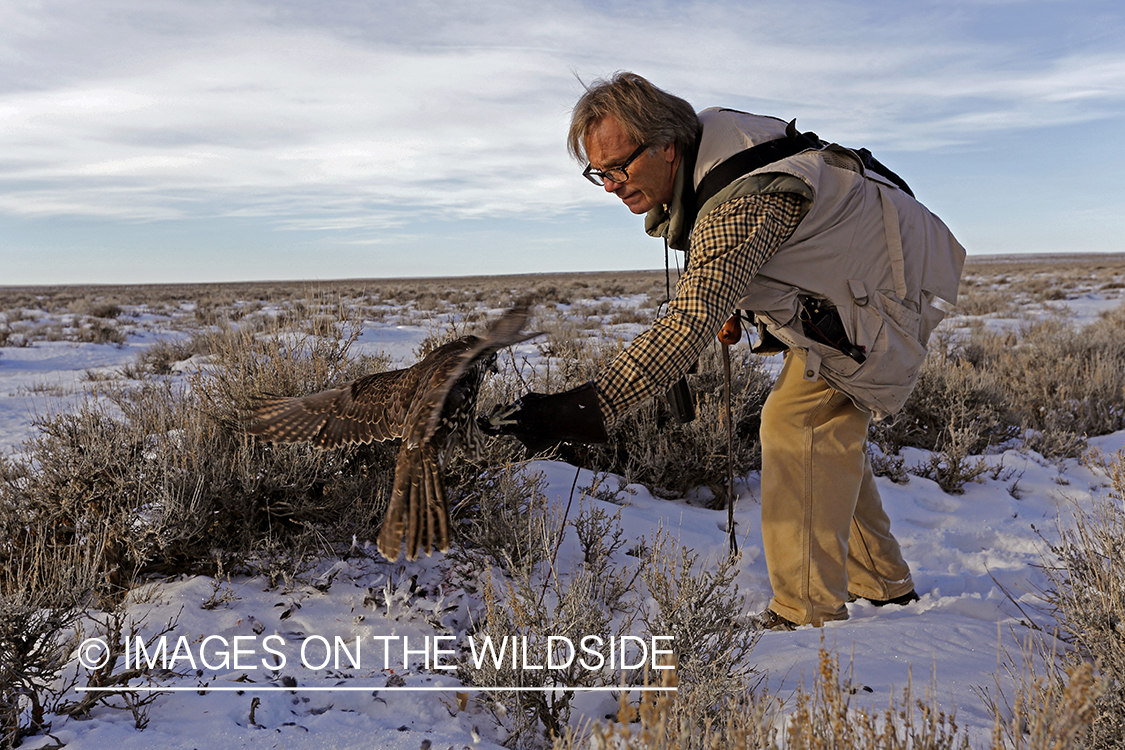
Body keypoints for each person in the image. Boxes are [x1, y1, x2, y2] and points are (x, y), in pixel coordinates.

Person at [487, 72, 965, 629]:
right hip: (852, 278)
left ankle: (805, 611)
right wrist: (737, 303)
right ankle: (881, 583)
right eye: (599, 173)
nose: (613, 184)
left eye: (621, 166)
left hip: (885, 285)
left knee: (799, 423)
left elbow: (690, 317)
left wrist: (587, 406)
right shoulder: (705, 154)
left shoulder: (741, 203)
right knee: (824, 431)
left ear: (668, 145)